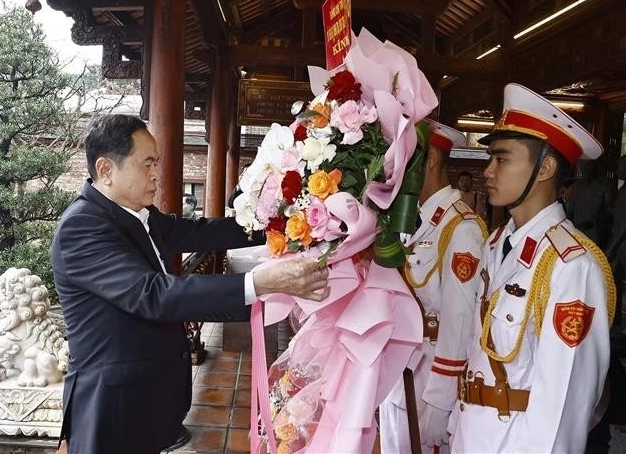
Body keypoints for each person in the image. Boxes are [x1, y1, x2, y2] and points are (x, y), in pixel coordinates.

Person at [51, 114, 330, 454]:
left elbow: (201, 232)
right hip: (111, 405)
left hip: (146, 397)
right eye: (147, 164)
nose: (157, 174)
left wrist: (285, 225)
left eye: (156, 163)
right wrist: (257, 283)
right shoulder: (81, 227)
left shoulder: (139, 214)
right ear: (106, 169)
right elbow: (151, 293)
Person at [450, 83, 614, 453]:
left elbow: (566, 403)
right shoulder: (498, 245)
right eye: (490, 158)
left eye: (502, 159)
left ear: (546, 168)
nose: (488, 171)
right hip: (471, 435)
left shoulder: (572, 266)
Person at [380, 120, 488, 453]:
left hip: (428, 385)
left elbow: (459, 327)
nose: (393, 170)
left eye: (404, 159)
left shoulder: (460, 229)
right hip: (398, 376)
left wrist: (440, 406)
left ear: (430, 161)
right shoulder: (408, 217)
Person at [566, 159, 615, 249]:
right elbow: (570, 211)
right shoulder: (577, 185)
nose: (584, 168)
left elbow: (611, 211)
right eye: (582, 165)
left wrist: (596, 221)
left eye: (588, 165)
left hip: (595, 232)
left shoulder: (604, 185)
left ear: (594, 166)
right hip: (577, 231)